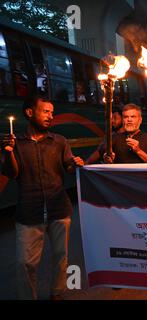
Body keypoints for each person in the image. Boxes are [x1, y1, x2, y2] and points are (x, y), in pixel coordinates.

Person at [1, 95, 84, 300]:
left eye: (52, 112)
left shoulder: (59, 141)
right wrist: (8, 153)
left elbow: (69, 167)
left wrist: (75, 164)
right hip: (29, 212)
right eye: (45, 111)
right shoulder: (16, 143)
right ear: (30, 113)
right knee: (25, 263)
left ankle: (57, 292)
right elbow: (12, 173)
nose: (51, 116)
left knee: (60, 258)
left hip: (59, 209)